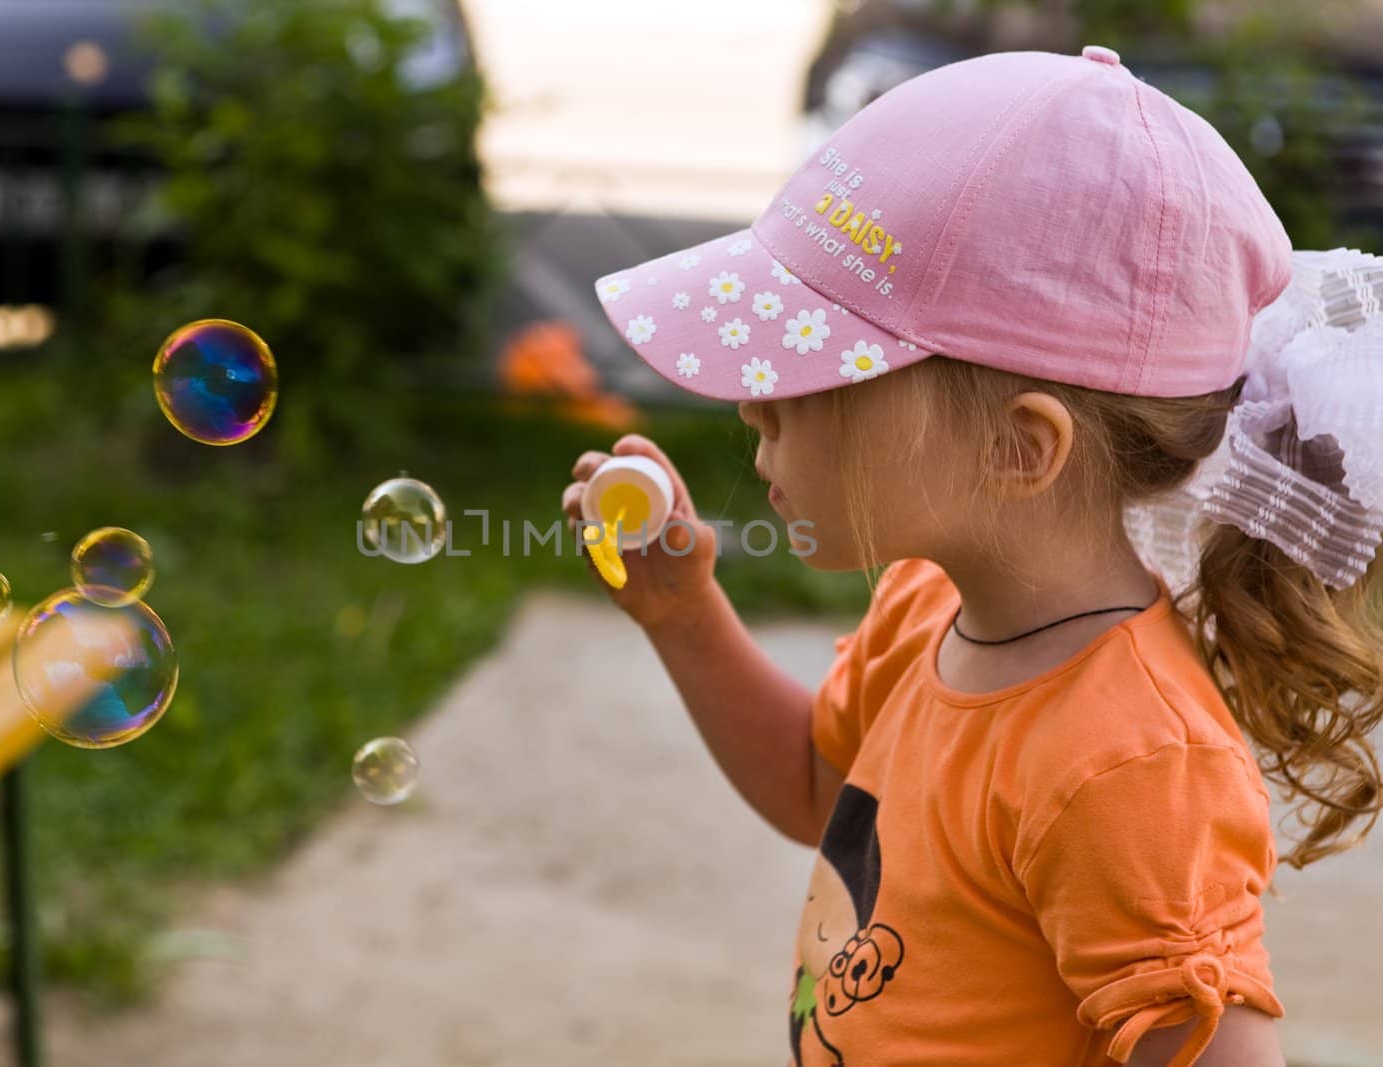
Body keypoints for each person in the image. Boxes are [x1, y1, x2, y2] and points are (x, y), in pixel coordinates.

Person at [561, 43, 1383, 1067]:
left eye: (818, 371)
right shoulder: (923, 604)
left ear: (1019, 448)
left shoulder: (1126, 763)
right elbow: (819, 792)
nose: (753, 399)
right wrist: (684, 615)